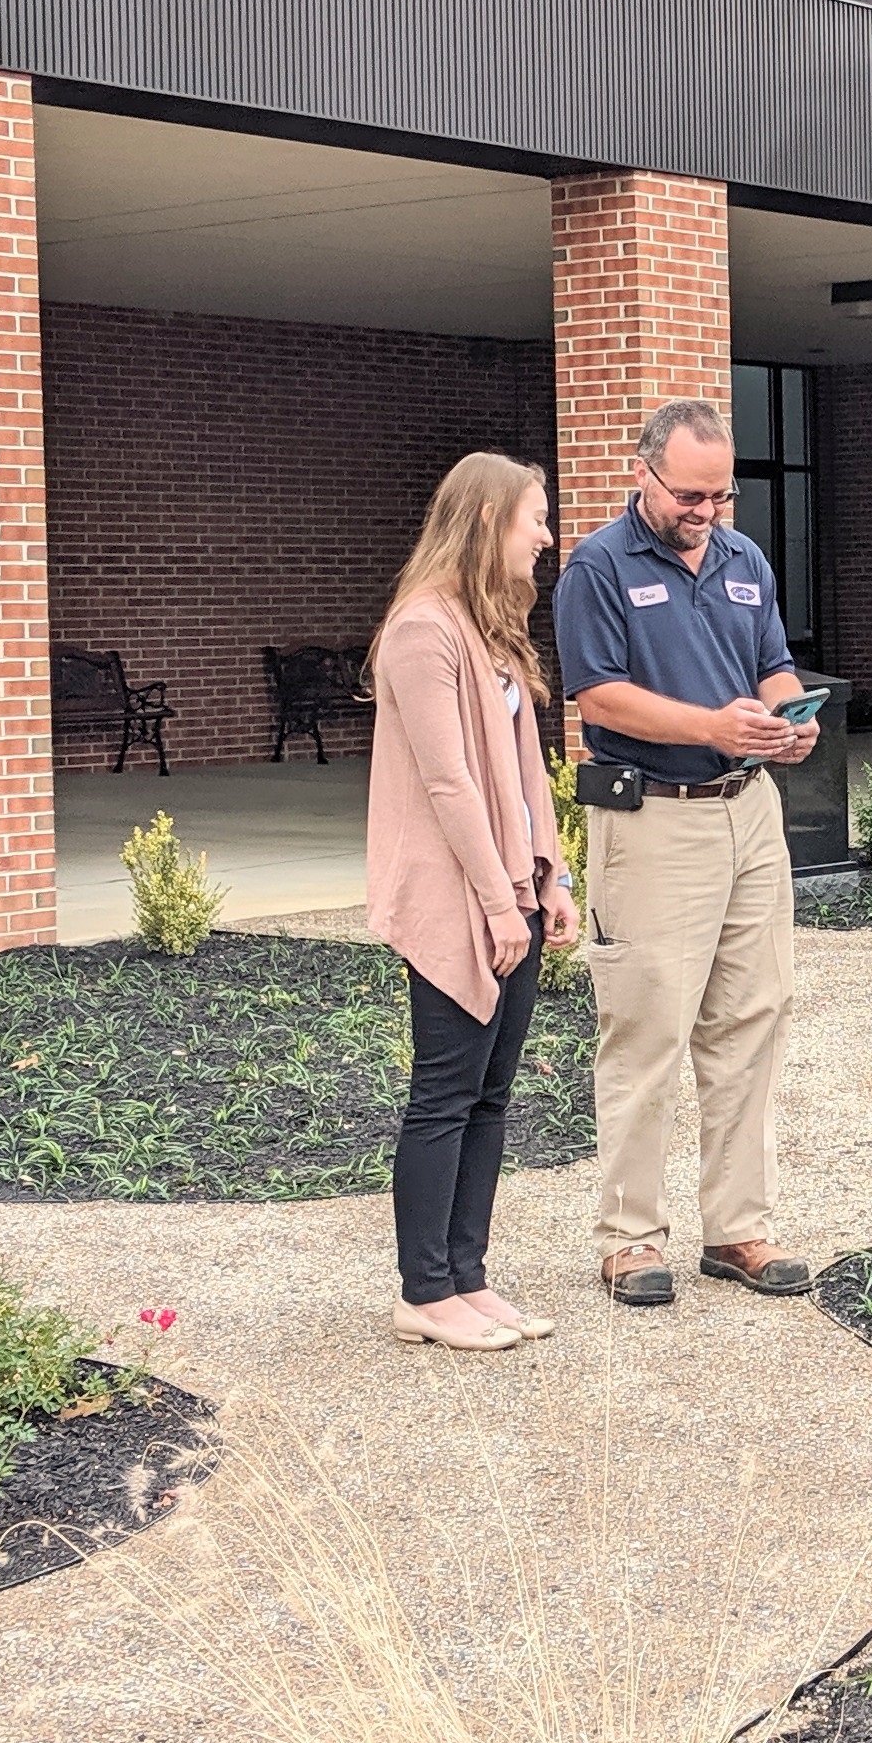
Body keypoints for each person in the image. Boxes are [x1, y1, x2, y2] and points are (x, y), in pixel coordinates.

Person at [555, 398, 822, 1307]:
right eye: (689, 494)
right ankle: (630, 1239)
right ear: (644, 473)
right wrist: (711, 724)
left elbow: (773, 664)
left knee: (752, 1018)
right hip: (654, 817)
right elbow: (597, 698)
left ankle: (738, 1228)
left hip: (749, 810)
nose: (705, 511)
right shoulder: (596, 567)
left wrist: (787, 719)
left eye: (720, 494)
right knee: (647, 1027)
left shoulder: (745, 560)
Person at [363, 451, 580, 1351]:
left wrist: (552, 876)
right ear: (488, 521)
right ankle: (422, 1292)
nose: (546, 536)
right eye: (534, 518)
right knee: (446, 1094)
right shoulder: (423, 630)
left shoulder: (490, 631)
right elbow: (449, 783)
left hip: (511, 887)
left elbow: (528, 769)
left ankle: (466, 1277)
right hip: (460, 893)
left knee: (492, 1095)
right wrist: (498, 903)